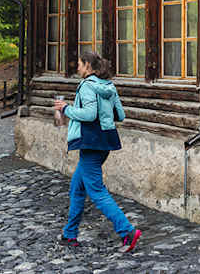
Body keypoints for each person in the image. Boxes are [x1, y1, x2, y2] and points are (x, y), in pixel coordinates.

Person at [53, 51, 142, 252]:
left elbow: (89, 114)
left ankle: (127, 230)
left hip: (91, 142)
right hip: (106, 141)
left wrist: (66, 109)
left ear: (88, 66)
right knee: (77, 187)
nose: (77, 67)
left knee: (97, 191)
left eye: (79, 64)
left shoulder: (86, 86)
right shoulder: (109, 86)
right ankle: (69, 234)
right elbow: (120, 114)